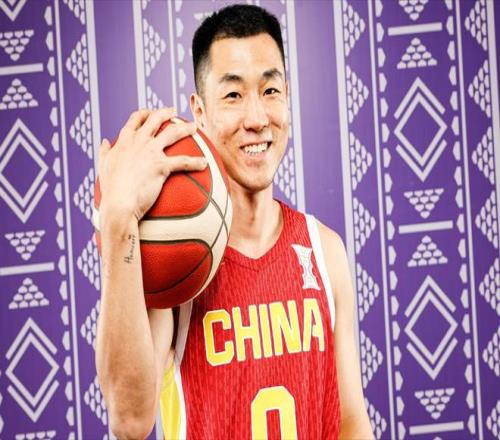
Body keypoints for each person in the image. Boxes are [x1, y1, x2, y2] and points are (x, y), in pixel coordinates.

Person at [96, 4, 373, 439]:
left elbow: (351, 422)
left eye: (270, 90)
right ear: (200, 111)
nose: (257, 119)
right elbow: (129, 421)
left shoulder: (324, 252)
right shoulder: (178, 267)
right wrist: (119, 221)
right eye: (232, 95)